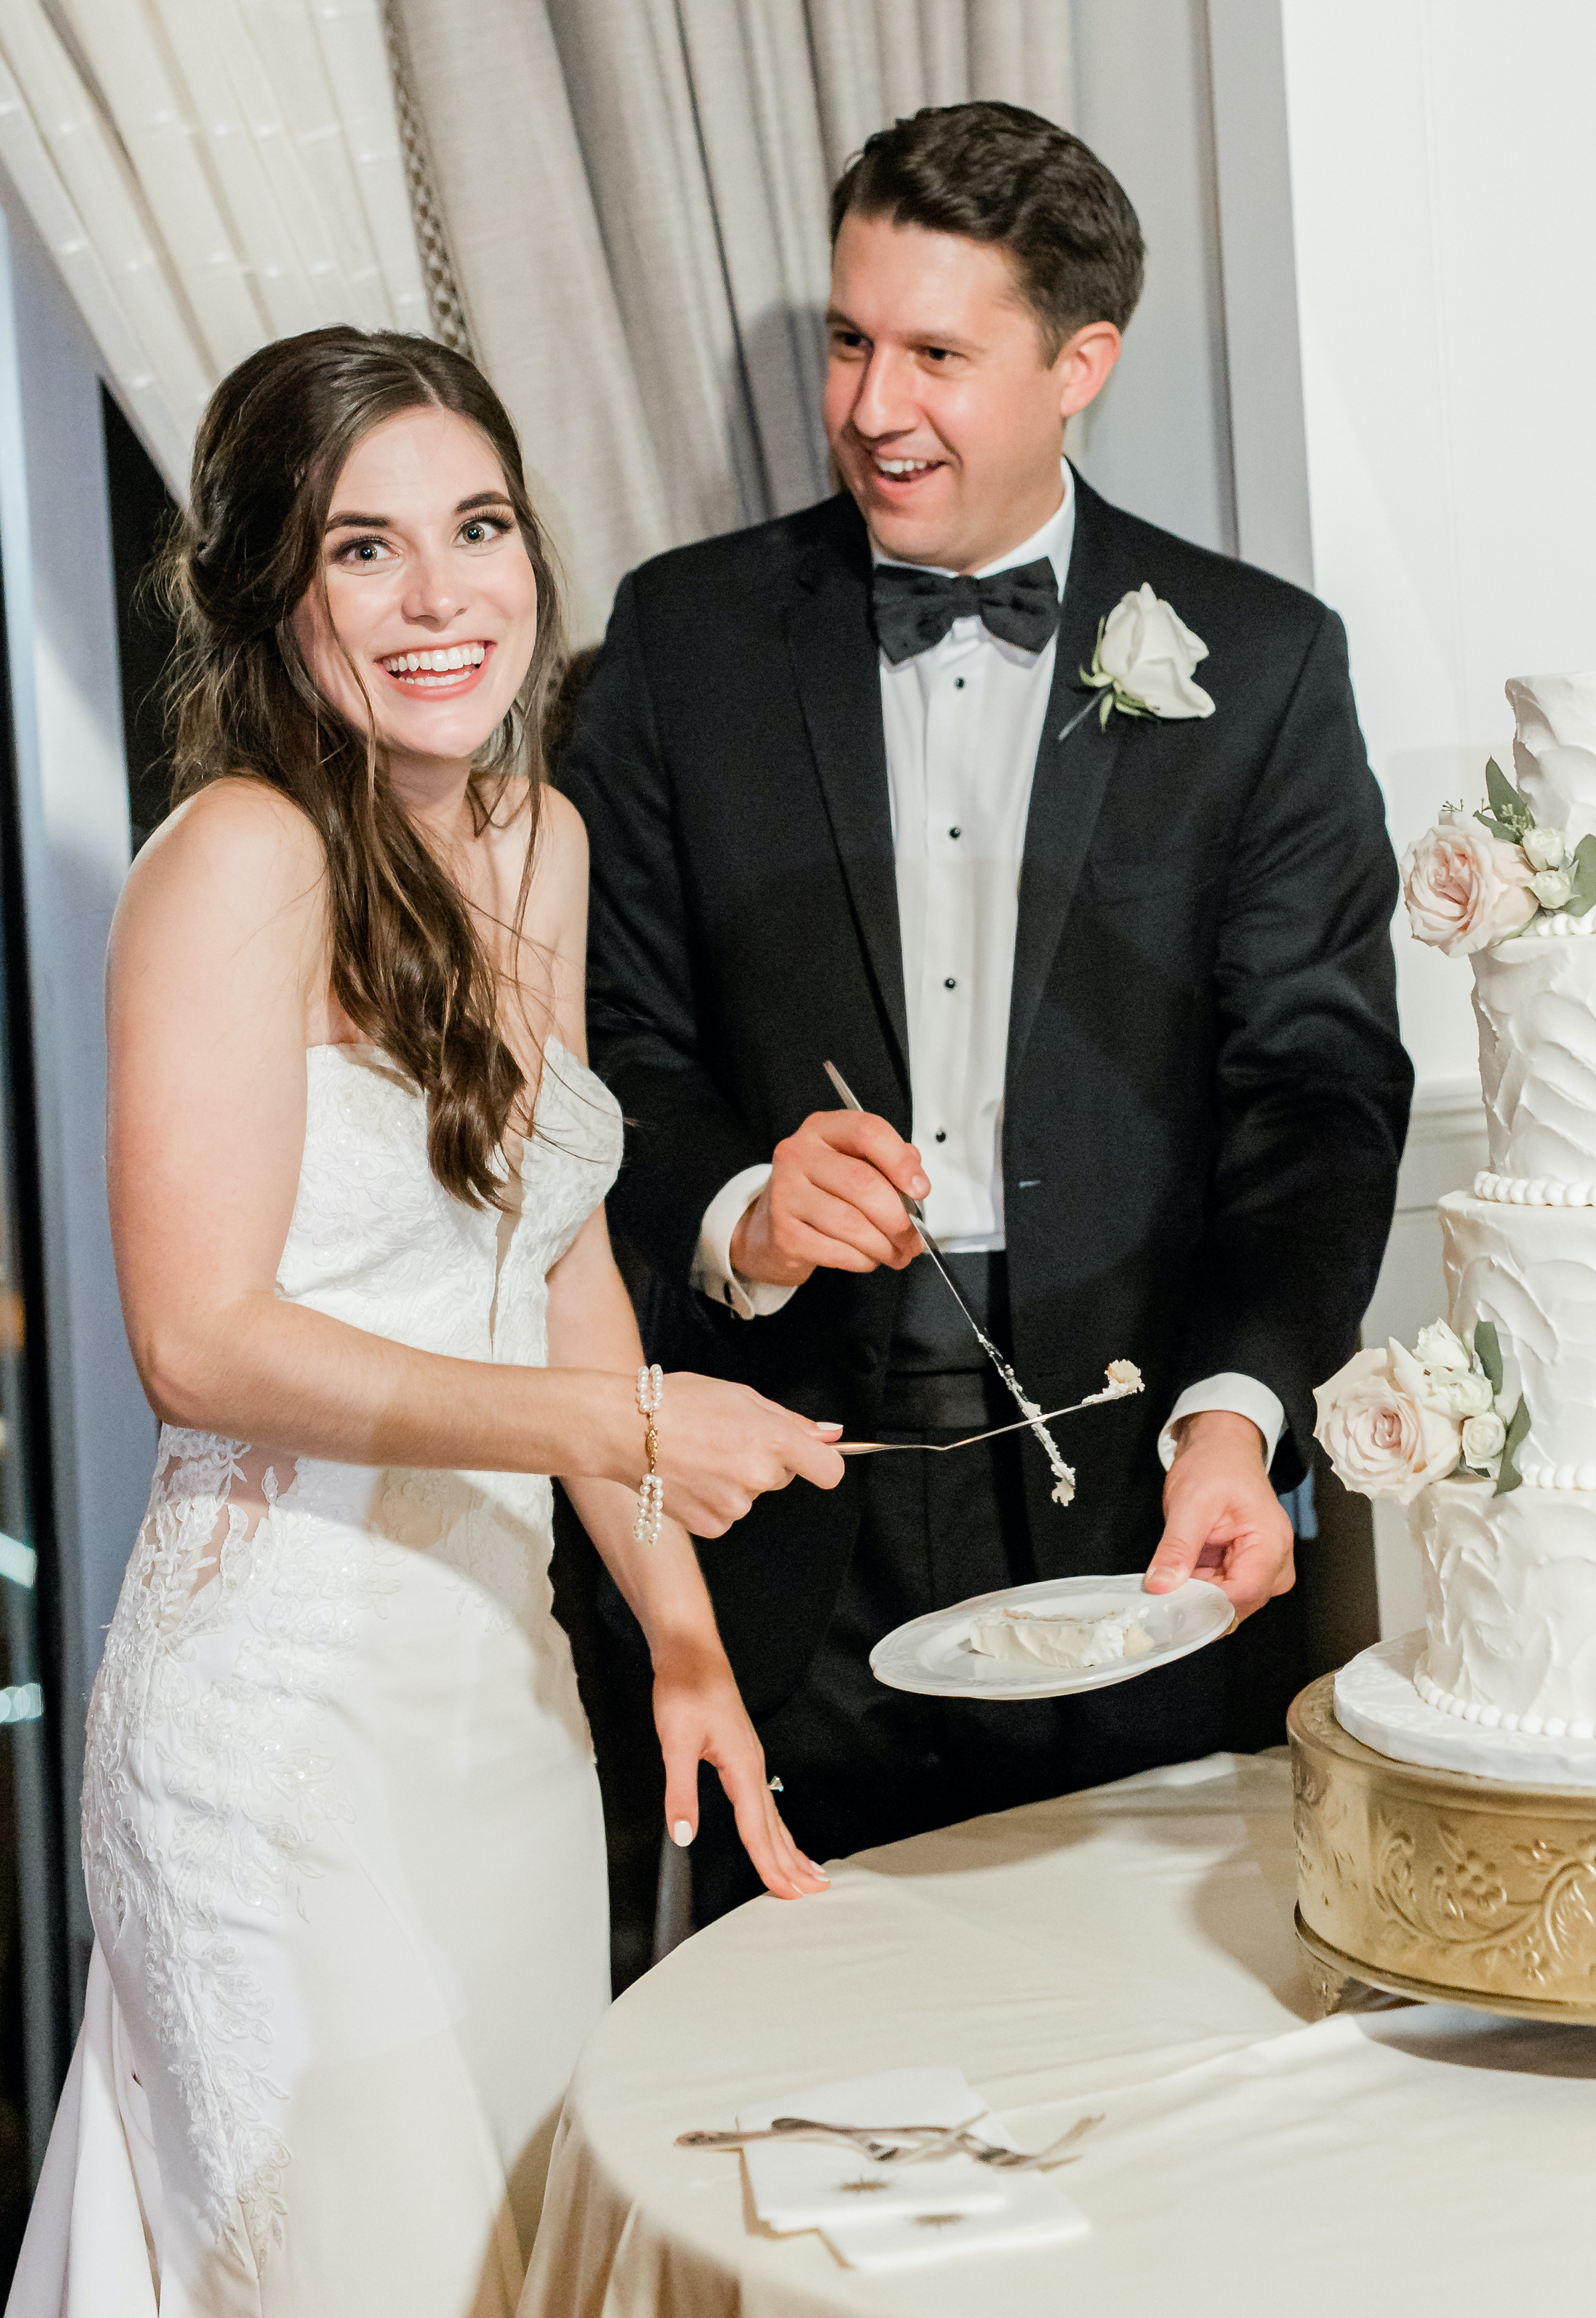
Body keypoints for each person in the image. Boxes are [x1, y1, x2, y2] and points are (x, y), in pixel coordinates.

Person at [7, 328, 843, 2318]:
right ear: (273, 596)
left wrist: (680, 1638)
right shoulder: (234, 861)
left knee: (518, 2262)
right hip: (273, 1738)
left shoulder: (531, 842)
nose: (440, 592)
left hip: (502, 1708)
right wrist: (632, 1433)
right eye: (363, 550)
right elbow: (199, 1345)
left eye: (472, 527)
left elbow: (546, 1253)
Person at [563, 101, 1410, 1924]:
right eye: (850, 340)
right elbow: (608, 1040)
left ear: (1077, 363)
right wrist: (737, 1209)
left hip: (1142, 1523)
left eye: (937, 352)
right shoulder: (681, 644)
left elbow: (1315, 1092)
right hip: (781, 1513)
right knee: (785, 2088)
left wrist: (1235, 1412)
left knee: (1154, 2063)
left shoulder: (1260, 668)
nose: (875, 404)